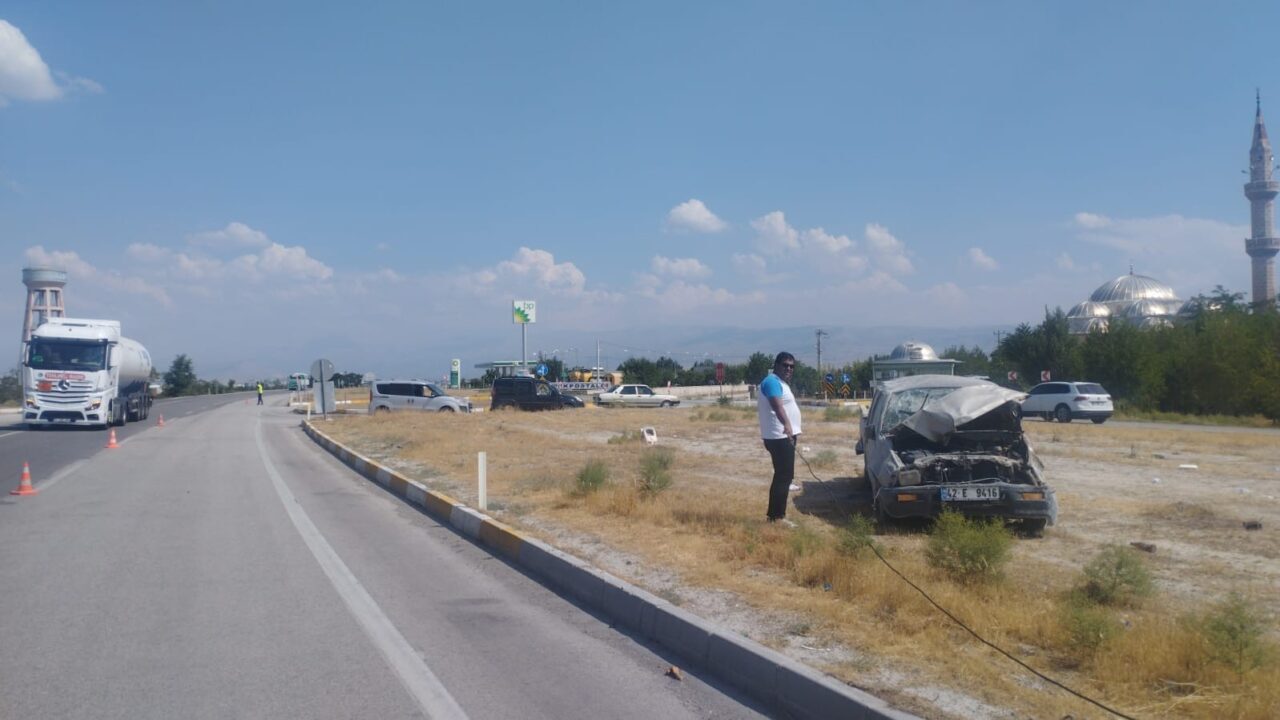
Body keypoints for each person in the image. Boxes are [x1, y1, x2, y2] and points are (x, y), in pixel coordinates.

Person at [757, 351, 802, 525]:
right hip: (779, 436)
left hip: (782, 435)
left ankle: (775, 515)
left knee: (783, 476)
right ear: (776, 365)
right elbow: (777, 405)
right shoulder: (771, 382)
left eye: (792, 366)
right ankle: (776, 517)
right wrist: (788, 426)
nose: (789, 369)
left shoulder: (780, 383)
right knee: (784, 476)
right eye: (785, 365)